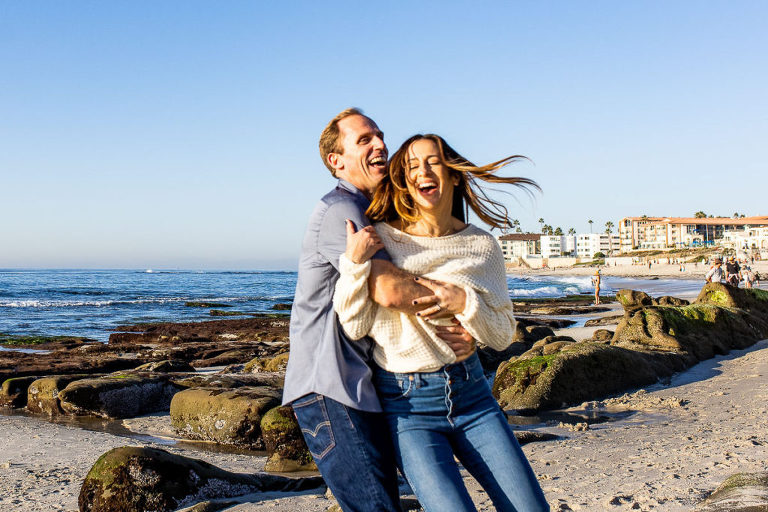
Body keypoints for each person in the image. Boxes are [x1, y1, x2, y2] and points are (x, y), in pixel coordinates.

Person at [334, 134, 550, 511]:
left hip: (473, 395)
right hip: (409, 406)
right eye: (412, 166)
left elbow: (500, 334)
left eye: (432, 162)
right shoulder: (383, 239)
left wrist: (464, 302)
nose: (423, 171)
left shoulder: (482, 246)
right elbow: (353, 326)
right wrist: (353, 266)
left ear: (452, 175)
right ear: (403, 181)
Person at [282, 109, 476, 512]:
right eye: (364, 140)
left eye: (380, 136)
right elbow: (389, 289)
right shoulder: (342, 210)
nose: (380, 145)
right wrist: (466, 310)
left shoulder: (374, 210)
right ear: (337, 161)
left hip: (363, 385)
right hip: (331, 388)